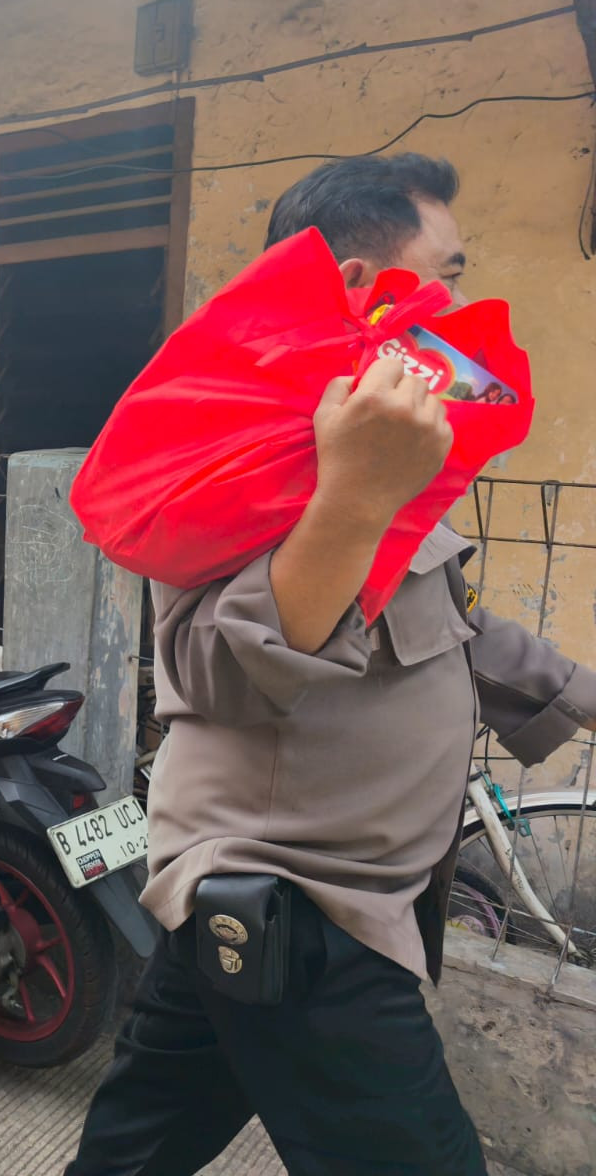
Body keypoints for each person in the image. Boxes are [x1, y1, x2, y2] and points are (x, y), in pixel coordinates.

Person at [66, 154, 596, 1175]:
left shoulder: (387, 448)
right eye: (445, 275)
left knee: (139, 1148)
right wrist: (352, 495)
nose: (459, 308)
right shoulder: (246, 447)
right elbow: (218, 675)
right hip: (301, 905)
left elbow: (452, 625)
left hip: (324, 896)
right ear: (360, 284)